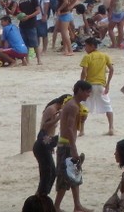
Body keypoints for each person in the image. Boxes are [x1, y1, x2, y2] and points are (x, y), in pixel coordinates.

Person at [53, 80, 92, 212]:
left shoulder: (73, 104)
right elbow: (69, 129)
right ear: (80, 90)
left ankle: (77, 205)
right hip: (66, 145)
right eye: (87, 92)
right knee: (66, 176)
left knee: (75, 174)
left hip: (66, 144)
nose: (88, 95)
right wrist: (74, 149)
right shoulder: (73, 106)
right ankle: (57, 206)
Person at [33, 94, 68, 196]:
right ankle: (40, 197)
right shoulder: (52, 109)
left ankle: (40, 196)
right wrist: (58, 118)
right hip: (42, 145)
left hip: (46, 144)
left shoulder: (54, 109)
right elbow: (45, 126)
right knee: (48, 174)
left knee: (50, 173)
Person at [78, 37, 115, 135]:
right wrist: (108, 84)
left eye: (86, 46)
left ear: (92, 46)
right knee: (108, 106)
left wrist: (80, 85)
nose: (85, 48)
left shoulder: (87, 57)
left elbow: (84, 73)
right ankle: (111, 128)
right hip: (101, 85)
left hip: (89, 86)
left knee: (84, 107)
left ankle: (82, 130)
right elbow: (111, 69)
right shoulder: (104, 56)